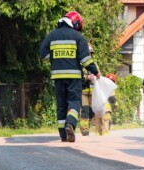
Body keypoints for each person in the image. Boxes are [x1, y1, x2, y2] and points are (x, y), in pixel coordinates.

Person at [40, 11, 100, 142]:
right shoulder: (78, 37)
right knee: (74, 102)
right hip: (73, 77)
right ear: (75, 23)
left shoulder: (51, 35)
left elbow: (43, 54)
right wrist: (95, 71)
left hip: (57, 76)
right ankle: (70, 124)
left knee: (61, 105)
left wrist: (56, 59)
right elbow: (85, 59)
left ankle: (63, 135)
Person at [80, 43, 96, 136]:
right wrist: (86, 77)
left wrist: (95, 77)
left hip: (93, 92)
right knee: (85, 110)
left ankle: (87, 124)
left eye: (91, 53)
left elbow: (99, 75)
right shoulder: (80, 64)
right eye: (88, 53)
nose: (89, 55)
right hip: (83, 91)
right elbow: (79, 76)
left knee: (93, 111)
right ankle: (84, 130)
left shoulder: (94, 64)